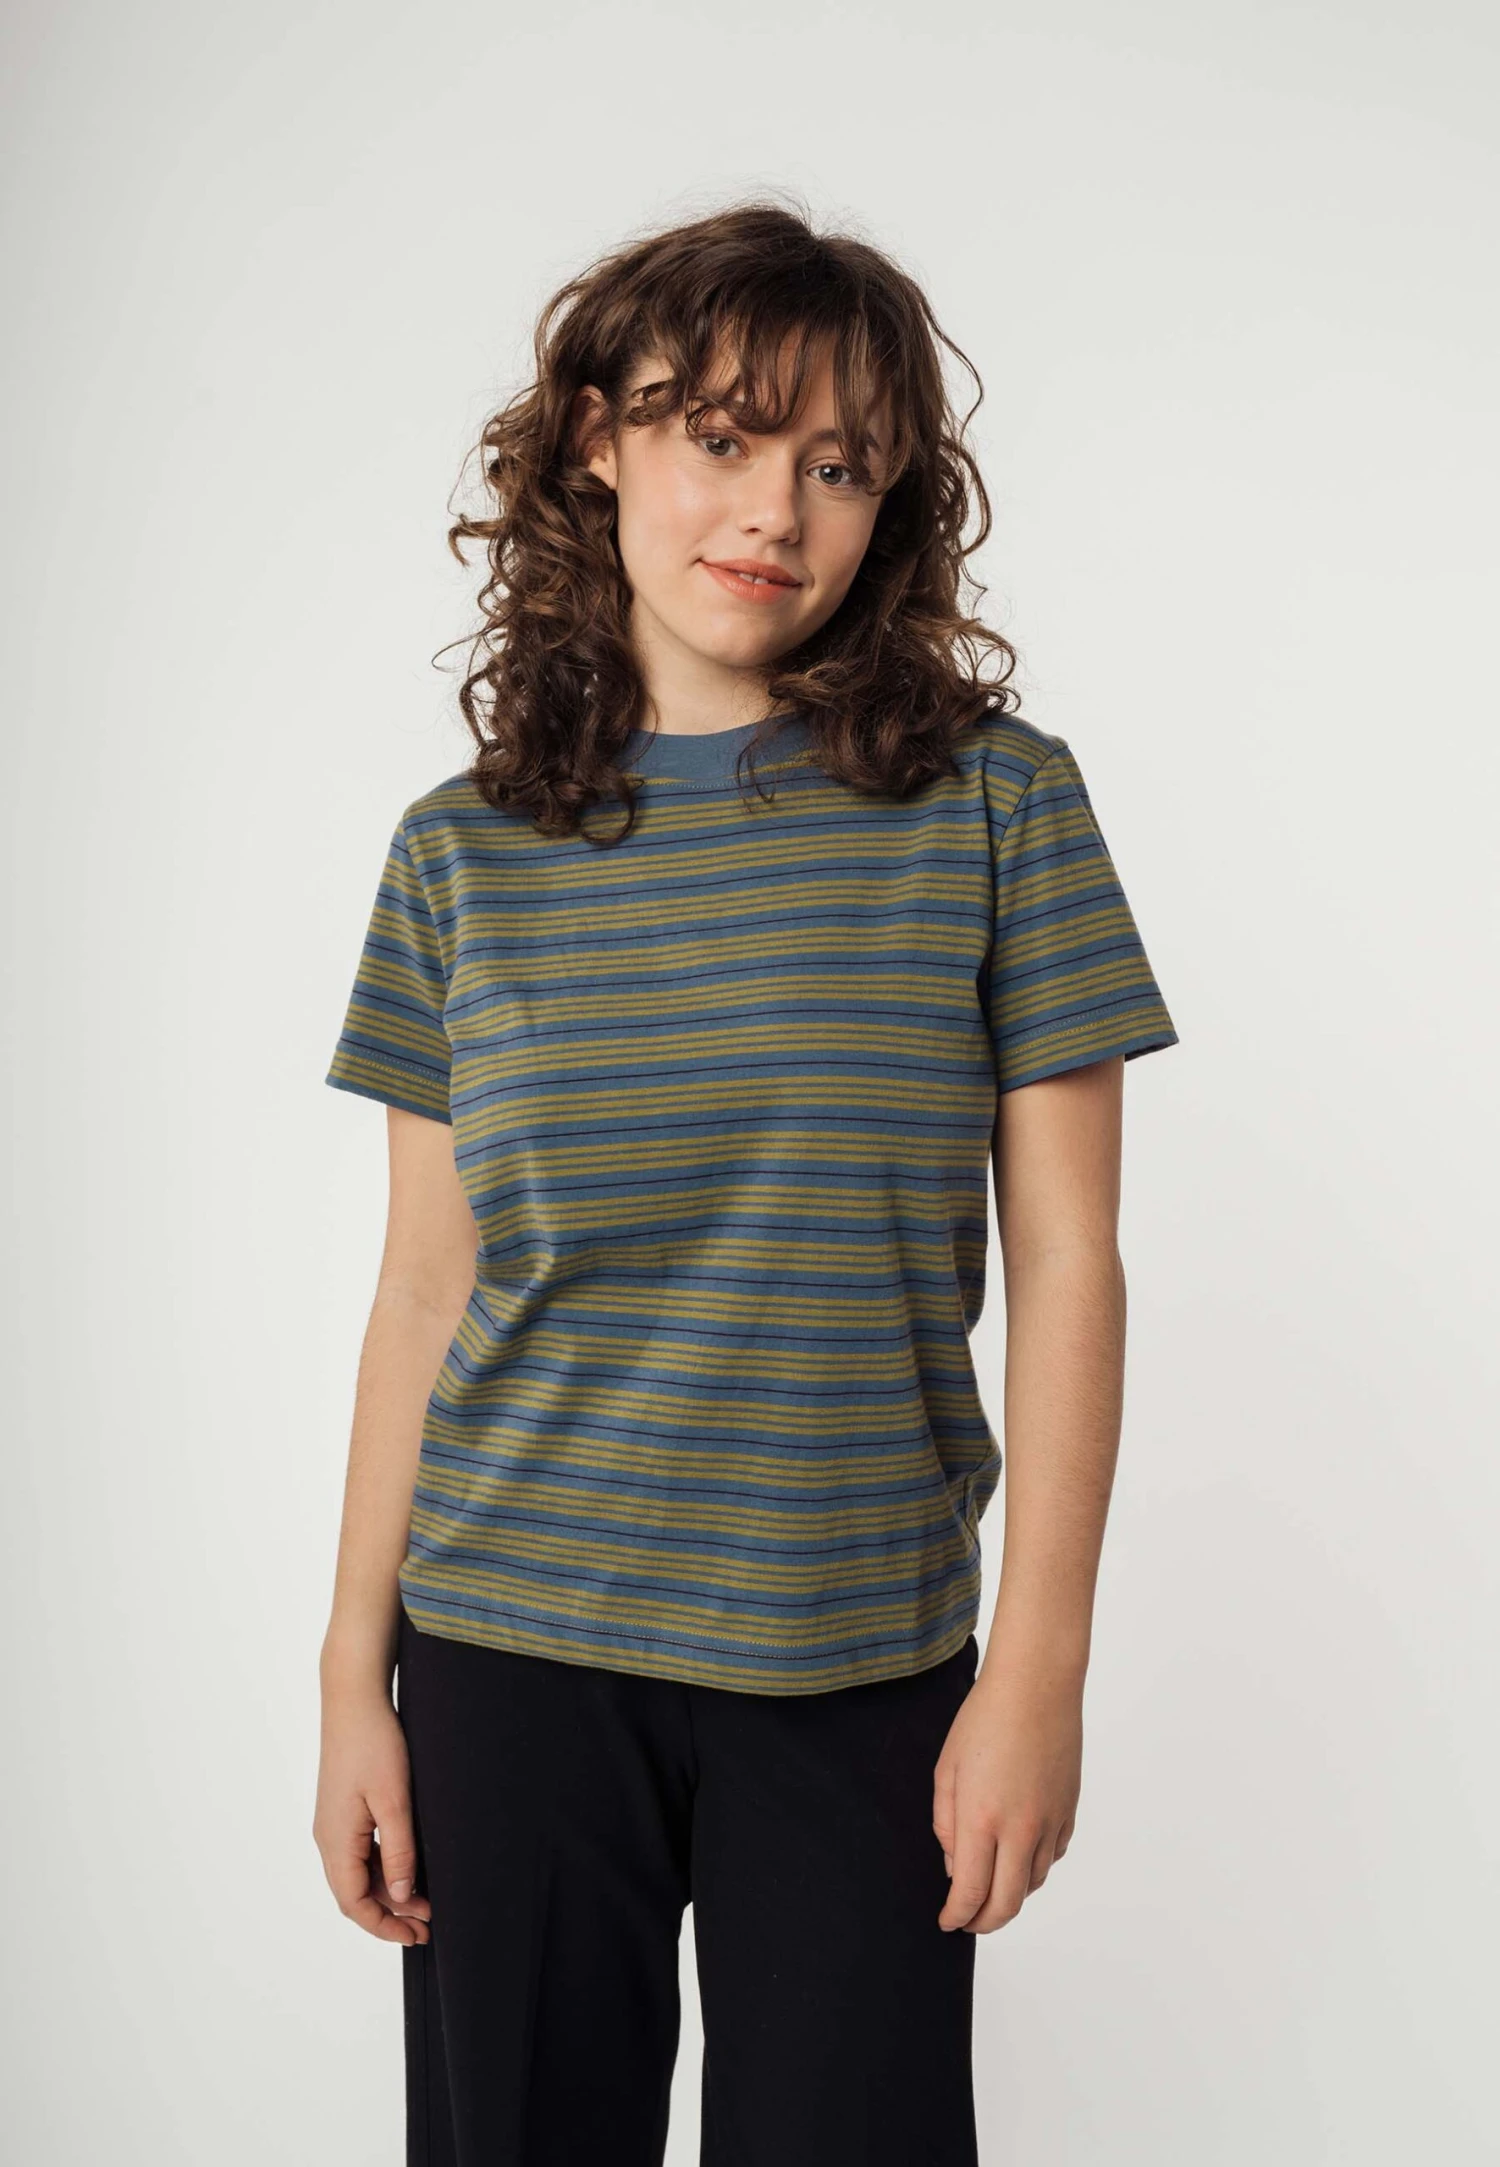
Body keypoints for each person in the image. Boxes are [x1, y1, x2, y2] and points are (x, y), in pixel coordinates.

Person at [312, 199, 1179, 2167]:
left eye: (839, 465)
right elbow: (423, 1290)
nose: (774, 509)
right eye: (719, 437)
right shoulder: (459, 853)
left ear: (894, 506)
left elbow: (1072, 1254)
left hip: (859, 1660)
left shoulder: (997, 803)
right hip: (509, 1651)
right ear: (597, 442)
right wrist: (354, 1674)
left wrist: (1037, 1670)